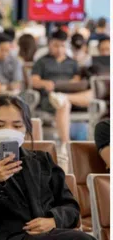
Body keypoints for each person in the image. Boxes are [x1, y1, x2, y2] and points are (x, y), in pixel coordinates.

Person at [0, 94, 94, 240]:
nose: (9, 131)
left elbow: (71, 209)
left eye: (16, 126)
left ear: (26, 129)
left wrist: (53, 220)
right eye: (0, 125)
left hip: (50, 235)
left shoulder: (43, 161)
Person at [31, 30, 94, 170]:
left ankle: (64, 97)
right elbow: (35, 81)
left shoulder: (73, 63)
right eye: (56, 45)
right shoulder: (42, 62)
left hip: (72, 96)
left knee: (92, 94)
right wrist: (45, 84)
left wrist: (64, 86)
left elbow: (77, 81)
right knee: (63, 104)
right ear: (50, 45)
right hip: (50, 98)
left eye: (62, 46)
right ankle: (66, 144)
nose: (59, 49)